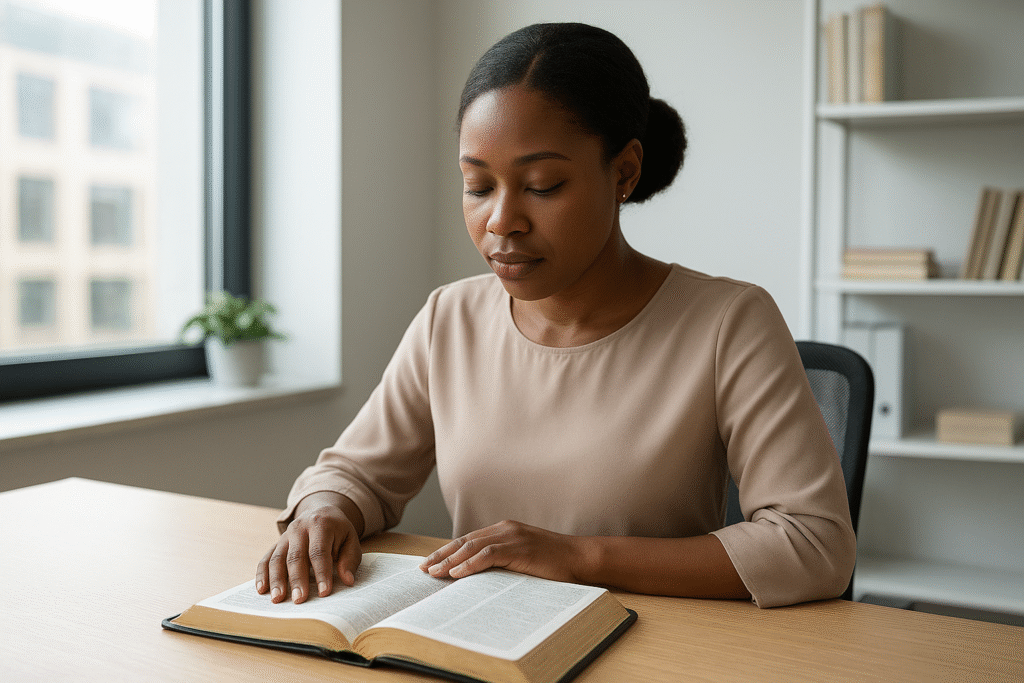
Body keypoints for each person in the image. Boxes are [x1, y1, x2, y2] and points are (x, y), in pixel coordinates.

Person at [256, 22, 856, 609]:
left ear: (623, 172)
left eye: (541, 186)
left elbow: (814, 544)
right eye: (477, 185)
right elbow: (354, 474)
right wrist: (323, 511)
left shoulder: (729, 323)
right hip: (484, 641)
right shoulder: (451, 317)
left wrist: (577, 558)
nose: (501, 221)